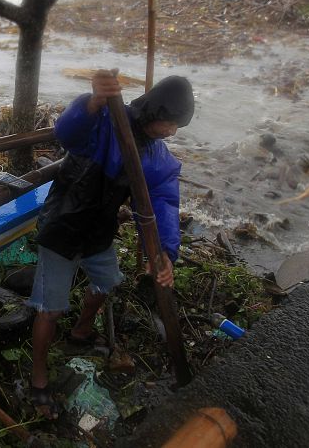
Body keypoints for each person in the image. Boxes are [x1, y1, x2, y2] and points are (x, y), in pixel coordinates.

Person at [26, 71, 195, 419]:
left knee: (106, 283)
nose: (173, 131)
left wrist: (165, 251)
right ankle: (38, 378)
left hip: (98, 230)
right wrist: (92, 102)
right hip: (63, 222)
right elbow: (67, 132)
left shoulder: (157, 157)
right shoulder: (107, 120)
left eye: (178, 126)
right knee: (49, 308)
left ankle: (81, 330)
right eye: (171, 122)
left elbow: (163, 202)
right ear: (155, 111)